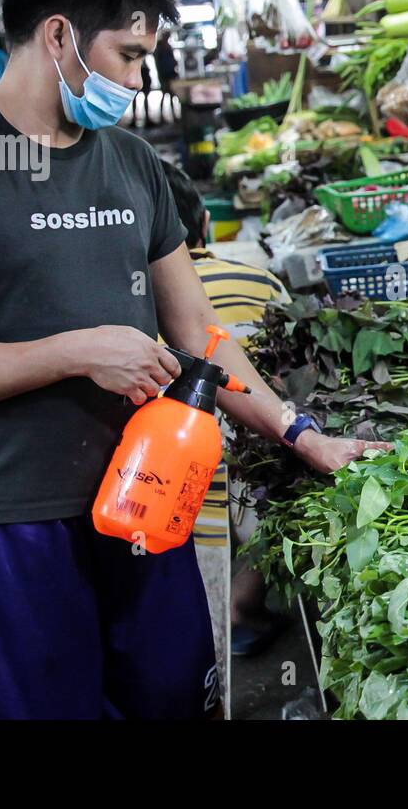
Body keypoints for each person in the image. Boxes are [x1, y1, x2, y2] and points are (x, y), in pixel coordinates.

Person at [0, 0, 385, 721]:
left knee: (174, 702)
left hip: (150, 504)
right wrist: (75, 352)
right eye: (130, 56)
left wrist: (301, 434)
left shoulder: (132, 163)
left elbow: (201, 335)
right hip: (11, 526)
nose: (138, 82)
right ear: (60, 34)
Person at [162, 161, 288, 659]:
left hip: (173, 464)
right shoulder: (258, 279)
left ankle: (205, 616)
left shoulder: (131, 299)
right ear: (205, 227)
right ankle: (244, 605)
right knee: (271, 498)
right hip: (253, 451)